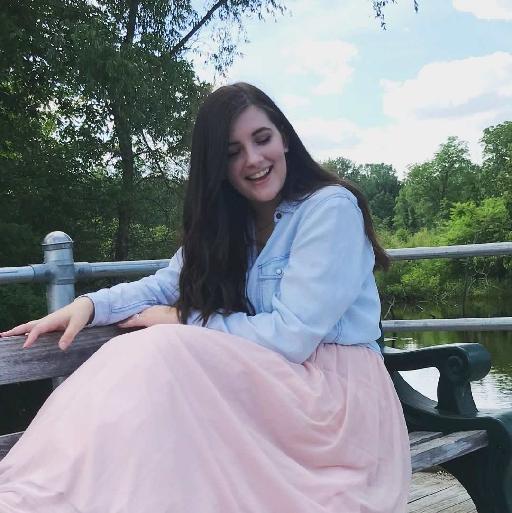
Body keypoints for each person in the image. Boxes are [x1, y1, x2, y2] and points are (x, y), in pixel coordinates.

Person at [0, 82, 411, 512]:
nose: (253, 160)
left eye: (262, 139)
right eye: (233, 152)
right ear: (217, 165)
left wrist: (182, 320)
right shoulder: (229, 225)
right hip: (272, 394)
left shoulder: (330, 209)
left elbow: (292, 336)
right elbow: (164, 285)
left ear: (284, 139)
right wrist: (89, 306)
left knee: (163, 346)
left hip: (336, 408)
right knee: (144, 361)